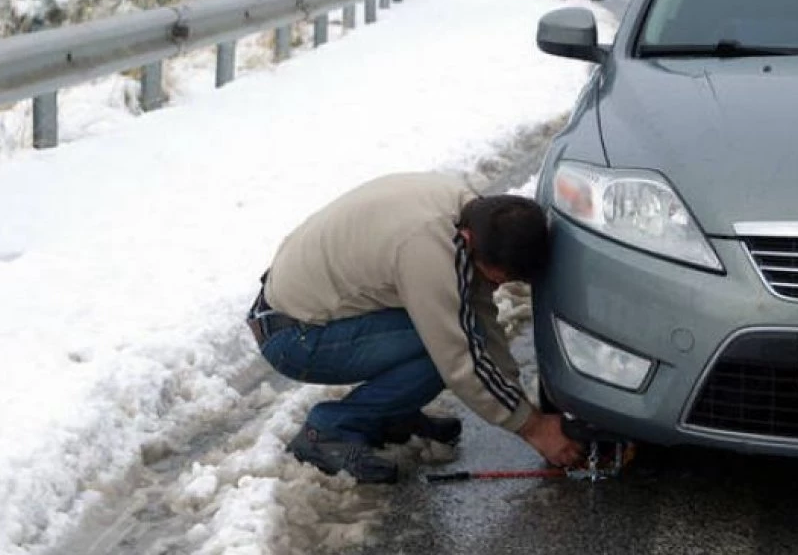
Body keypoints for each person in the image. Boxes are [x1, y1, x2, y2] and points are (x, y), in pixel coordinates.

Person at [246, 172, 585, 484]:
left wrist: (520, 401)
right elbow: (459, 358)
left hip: (307, 309)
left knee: (457, 330)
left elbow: (479, 310)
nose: (497, 286)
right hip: (295, 337)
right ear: (468, 240)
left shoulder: (475, 217)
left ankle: (389, 414)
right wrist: (533, 427)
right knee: (442, 346)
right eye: (499, 278)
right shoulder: (429, 248)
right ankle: (326, 431)